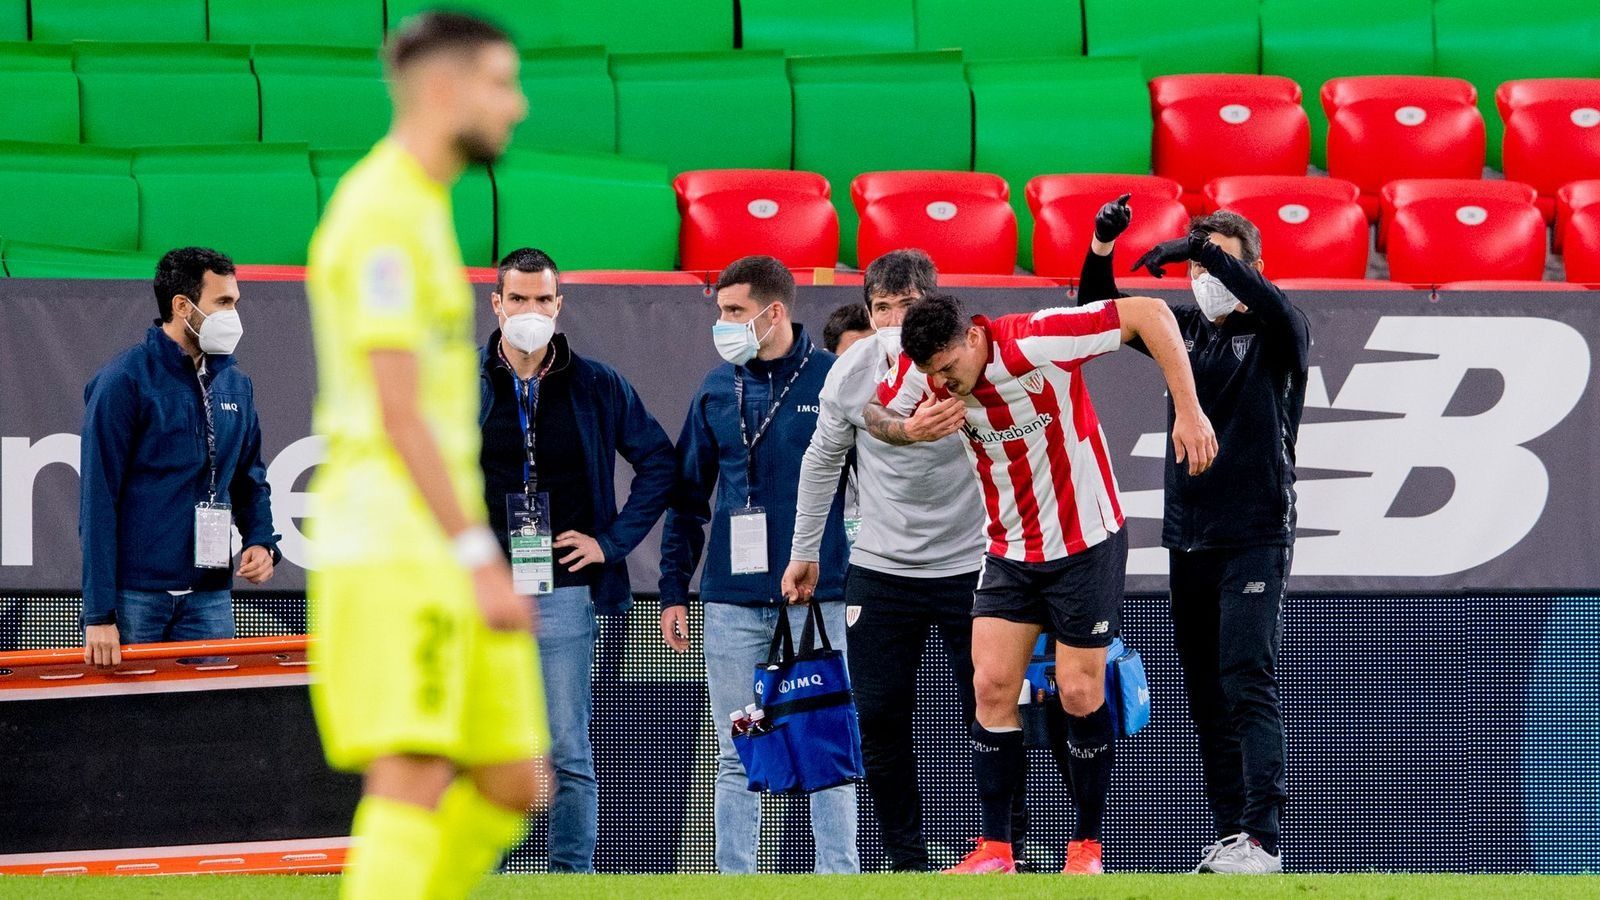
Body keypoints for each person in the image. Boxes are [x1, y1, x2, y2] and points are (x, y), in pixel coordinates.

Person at [303, 13, 546, 900]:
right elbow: (398, 411)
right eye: (501, 82)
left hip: (440, 541)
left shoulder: (426, 209)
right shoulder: (379, 213)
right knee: (410, 770)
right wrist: (478, 555)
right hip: (395, 543)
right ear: (446, 90)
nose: (517, 106)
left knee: (516, 781)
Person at [871, 291, 1217, 875]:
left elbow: (1151, 313)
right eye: (932, 375)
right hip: (1009, 549)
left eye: (950, 369)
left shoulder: (1036, 338)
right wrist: (909, 429)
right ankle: (997, 849)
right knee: (991, 686)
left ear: (974, 338)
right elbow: (874, 415)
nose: (943, 384)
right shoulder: (921, 367)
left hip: (1085, 542)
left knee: (1079, 690)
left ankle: (1086, 847)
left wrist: (1189, 408)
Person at [1086, 205, 1308, 875]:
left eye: (1216, 259)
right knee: (1207, 691)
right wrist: (1103, 244)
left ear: (1252, 268)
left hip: (1256, 532)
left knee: (1247, 677)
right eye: (1193, 262)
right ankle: (1231, 832)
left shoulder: (1277, 328)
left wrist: (1199, 248)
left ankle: (1264, 839)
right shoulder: (1182, 330)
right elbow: (1100, 307)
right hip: (1189, 537)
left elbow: (1266, 300)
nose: (1200, 273)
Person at [784, 249, 1009, 871]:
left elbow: (1022, 452)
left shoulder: (974, 363)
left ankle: (1002, 849)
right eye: (880, 307)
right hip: (882, 568)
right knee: (881, 718)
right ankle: (906, 861)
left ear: (934, 307)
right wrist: (804, 552)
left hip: (975, 565)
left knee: (991, 708)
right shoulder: (852, 372)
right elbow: (822, 460)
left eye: (906, 306)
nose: (892, 320)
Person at [658, 255, 859, 875]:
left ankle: (839, 881)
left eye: (734, 311)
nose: (723, 323)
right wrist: (672, 591)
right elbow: (688, 498)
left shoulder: (832, 378)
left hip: (817, 596)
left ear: (774, 313)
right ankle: (734, 881)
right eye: (721, 311)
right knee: (733, 747)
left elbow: (875, 487)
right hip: (729, 599)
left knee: (824, 740)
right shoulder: (718, 388)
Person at [478, 246, 675, 873]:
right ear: (496, 304)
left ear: (559, 306)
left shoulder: (597, 383)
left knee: (566, 745)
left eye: (542, 300)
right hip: (486, 592)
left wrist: (610, 542)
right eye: (518, 299)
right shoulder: (461, 381)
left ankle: (571, 875)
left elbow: (659, 462)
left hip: (568, 590)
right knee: (488, 743)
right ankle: (484, 872)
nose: (530, 311)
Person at [79, 247, 279, 667]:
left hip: (209, 598)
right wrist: (99, 614)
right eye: (223, 302)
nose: (234, 315)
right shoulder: (123, 381)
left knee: (209, 727)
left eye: (235, 303)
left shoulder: (236, 384)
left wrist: (262, 540)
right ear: (182, 306)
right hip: (135, 599)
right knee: (132, 727)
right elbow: (97, 502)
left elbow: (248, 478)